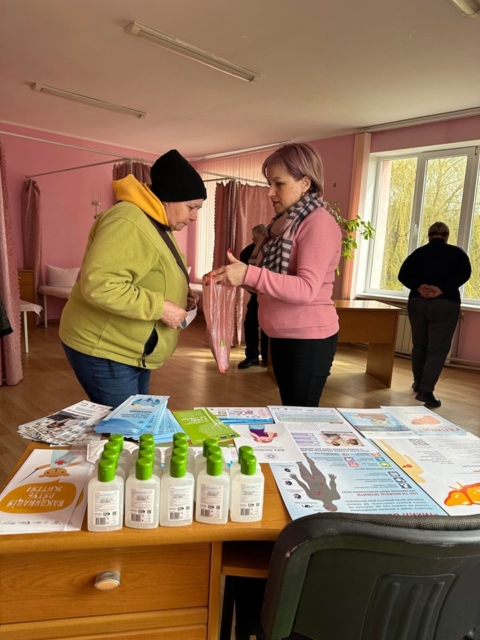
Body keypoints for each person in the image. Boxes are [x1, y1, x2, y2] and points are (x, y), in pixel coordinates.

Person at [59, 149, 206, 408]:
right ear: (169, 198)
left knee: (136, 420)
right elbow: (100, 284)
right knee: (126, 426)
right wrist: (161, 307)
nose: (194, 216)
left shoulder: (155, 222)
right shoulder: (128, 220)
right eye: (191, 207)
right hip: (107, 348)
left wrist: (180, 293)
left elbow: (151, 270)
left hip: (132, 348)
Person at [210, 143, 341, 407]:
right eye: (269, 183)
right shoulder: (283, 224)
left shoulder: (318, 222)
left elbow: (306, 289)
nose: (270, 192)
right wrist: (236, 275)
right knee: (290, 411)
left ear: (305, 183)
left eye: (278, 184)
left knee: (298, 416)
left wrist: (250, 274)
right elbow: (271, 281)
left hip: (308, 338)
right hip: (283, 335)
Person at [398, 221, 471, 408]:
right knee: (437, 349)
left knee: (419, 345)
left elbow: (402, 275)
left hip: (417, 303)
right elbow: (465, 274)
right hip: (446, 304)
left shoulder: (418, 253)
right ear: (447, 236)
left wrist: (418, 287)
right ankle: (426, 390)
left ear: (429, 236)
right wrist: (441, 289)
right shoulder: (457, 253)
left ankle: (418, 383)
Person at [238, 223, 269, 369]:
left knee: (268, 327)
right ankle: (251, 357)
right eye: (258, 240)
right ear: (253, 240)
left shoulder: (273, 250)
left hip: (272, 297)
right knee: (250, 324)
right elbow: (244, 278)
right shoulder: (246, 253)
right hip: (256, 295)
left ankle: (268, 358)